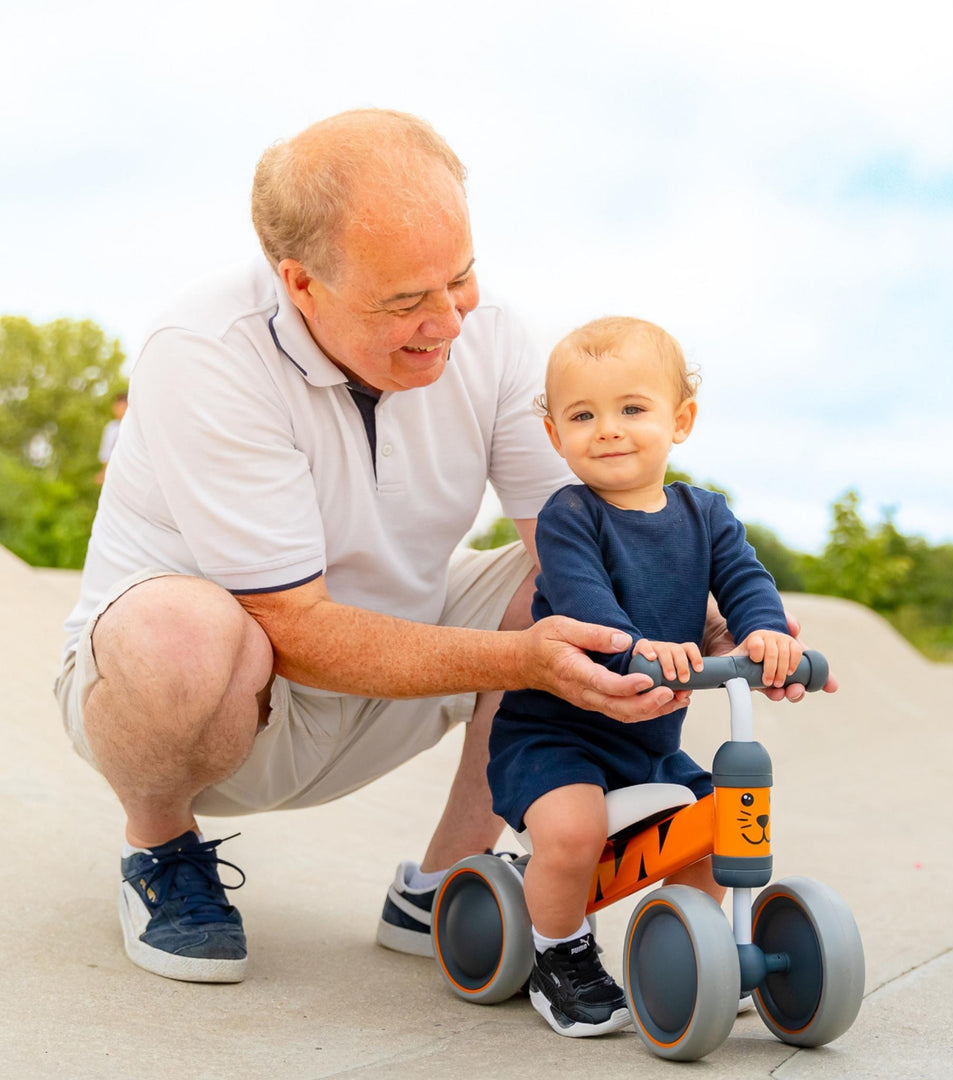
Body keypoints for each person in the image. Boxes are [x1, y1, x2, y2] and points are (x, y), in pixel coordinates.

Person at [54, 109, 706, 986]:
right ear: (302, 283)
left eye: (461, 277)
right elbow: (293, 626)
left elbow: (592, 549)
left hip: (401, 658)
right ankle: (161, 849)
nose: (447, 321)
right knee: (185, 629)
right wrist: (526, 659)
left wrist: (716, 621)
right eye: (405, 301)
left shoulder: (497, 336)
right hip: (224, 703)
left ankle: (447, 884)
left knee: (581, 559)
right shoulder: (204, 351)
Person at [487, 316, 806, 1038]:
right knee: (572, 834)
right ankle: (558, 956)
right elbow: (582, 600)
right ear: (553, 435)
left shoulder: (706, 514)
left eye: (632, 408)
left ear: (680, 420)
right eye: (582, 415)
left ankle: (687, 952)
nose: (608, 429)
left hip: (648, 746)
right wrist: (635, 645)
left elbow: (745, 580)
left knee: (714, 829)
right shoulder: (571, 516)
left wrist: (763, 631)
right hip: (555, 737)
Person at [94, 390, 127, 485]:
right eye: (118, 406)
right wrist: (104, 473)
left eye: (123, 406)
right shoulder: (111, 428)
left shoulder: (133, 427)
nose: (120, 409)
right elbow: (106, 454)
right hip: (115, 472)